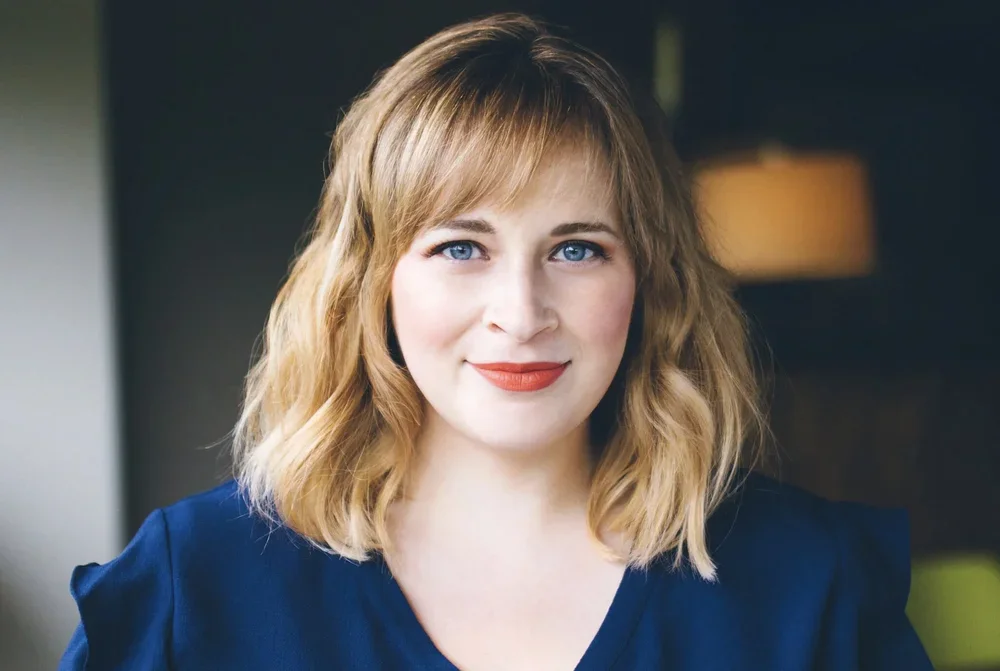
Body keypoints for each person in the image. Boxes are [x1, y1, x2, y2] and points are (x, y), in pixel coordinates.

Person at [60, 13, 933, 670]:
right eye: (461, 247)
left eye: (578, 248)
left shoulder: (809, 586)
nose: (521, 311)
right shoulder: (196, 585)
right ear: (375, 279)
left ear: (649, 282)